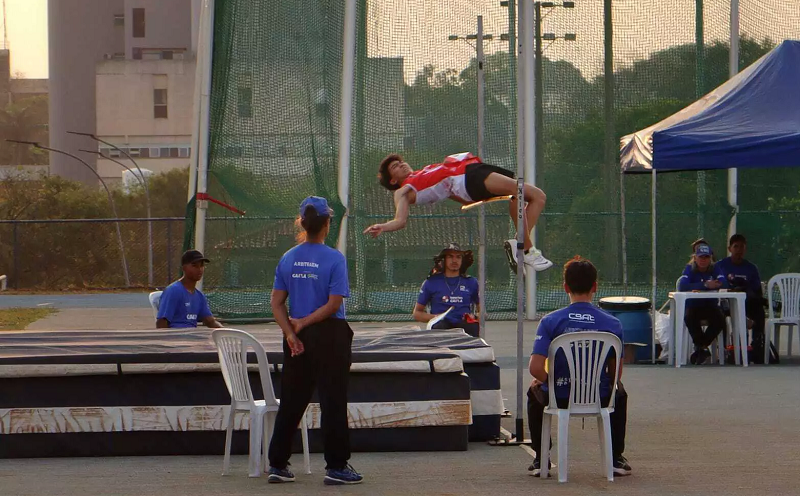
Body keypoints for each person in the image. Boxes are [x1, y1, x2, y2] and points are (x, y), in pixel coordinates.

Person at [267, 196, 363, 486]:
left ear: (302, 222)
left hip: (297, 335)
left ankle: (278, 464)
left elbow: (277, 302)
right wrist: (304, 324)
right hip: (329, 335)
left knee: (292, 400)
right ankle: (336, 467)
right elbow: (334, 304)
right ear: (327, 223)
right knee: (333, 400)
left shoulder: (288, 257)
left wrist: (291, 333)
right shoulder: (334, 258)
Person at [527, 256, 631, 477]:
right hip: (598, 395)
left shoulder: (550, 321)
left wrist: (549, 382)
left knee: (533, 390)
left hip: (561, 395)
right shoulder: (613, 324)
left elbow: (536, 368)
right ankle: (615, 458)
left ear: (565, 287)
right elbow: (616, 374)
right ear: (595, 286)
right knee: (619, 392)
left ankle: (540, 458)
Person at [364, 152, 553, 272]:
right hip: (466, 178)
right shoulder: (403, 191)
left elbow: (450, 193)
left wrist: (473, 198)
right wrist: (383, 226)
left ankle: (520, 245)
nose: (402, 164)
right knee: (520, 191)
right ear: (392, 181)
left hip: (470, 170)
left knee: (536, 196)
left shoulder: (424, 172)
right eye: (395, 166)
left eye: (401, 161)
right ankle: (525, 249)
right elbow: (400, 220)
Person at [716, 234, 767, 363]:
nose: (739, 250)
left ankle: (757, 346)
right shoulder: (720, 266)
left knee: (759, 311)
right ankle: (725, 349)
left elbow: (757, 291)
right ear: (729, 248)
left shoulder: (751, 268)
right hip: (727, 303)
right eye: (736, 246)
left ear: (745, 249)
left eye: (742, 247)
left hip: (747, 303)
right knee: (719, 314)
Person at [412, 243, 480, 337]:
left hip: (463, 325)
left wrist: (475, 317)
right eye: (450, 256)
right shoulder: (431, 282)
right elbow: (417, 313)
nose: (454, 260)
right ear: (444, 259)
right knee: (440, 326)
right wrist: (436, 317)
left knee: (472, 326)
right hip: (441, 325)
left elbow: (482, 312)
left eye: (458, 257)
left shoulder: (471, 282)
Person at [677, 243, 728, 365]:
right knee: (689, 317)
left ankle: (701, 347)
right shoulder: (689, 268)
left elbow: (724, 283)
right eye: (701, 257)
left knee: (720, 320)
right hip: (694, 305)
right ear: (695, 258)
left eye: (706, 257)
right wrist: (705, 285)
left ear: (710, 258)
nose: (703, 260)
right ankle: (703, 348)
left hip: (710, 305)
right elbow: (682, 285)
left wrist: (717, 284)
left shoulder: (715, 268)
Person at [156, 249, 223, 329]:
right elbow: (161, 323)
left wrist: (226, 332)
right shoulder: (173, 291)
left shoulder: (199, 296)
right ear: (184, 268)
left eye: (201, 265)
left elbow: (210, 321)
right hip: (176, 339)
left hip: (192, 338)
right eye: (194, 266)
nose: (199, 269)